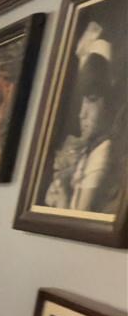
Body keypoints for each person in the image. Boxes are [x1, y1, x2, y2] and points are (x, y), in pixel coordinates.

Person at [44, 30, 119, 215]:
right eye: (82, 102)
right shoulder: (89, 149)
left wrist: (62, 198)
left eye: (92, 100)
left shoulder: (104, 151)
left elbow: (77, 219)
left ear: (109, 104)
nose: (81, 114)